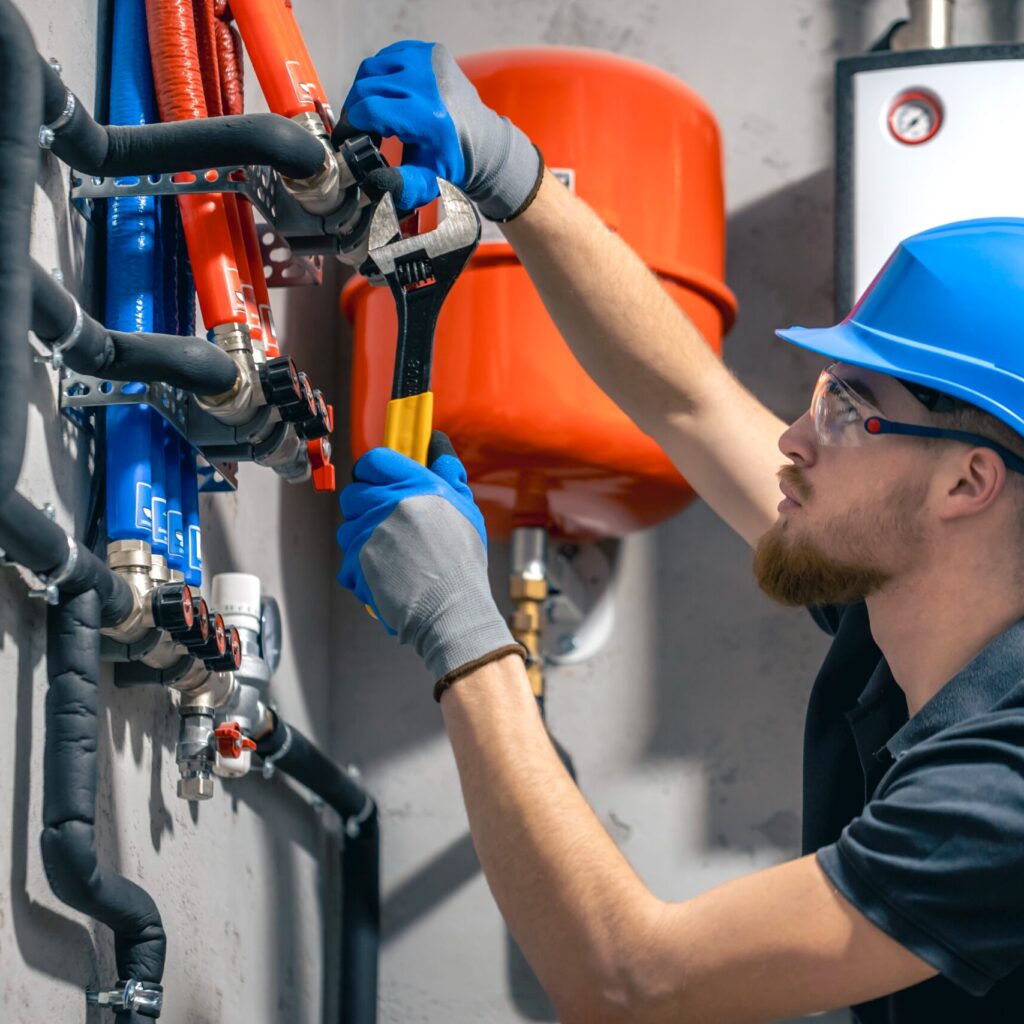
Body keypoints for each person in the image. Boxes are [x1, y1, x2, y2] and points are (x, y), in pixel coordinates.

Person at [336, 41, 1024, 1023]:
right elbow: (689, 399)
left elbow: (629, 983)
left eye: (846, 409)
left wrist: (463, 632)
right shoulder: (906, 599)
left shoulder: (1004, 789)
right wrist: (516, 178)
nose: (790, 437)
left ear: (967, 480)